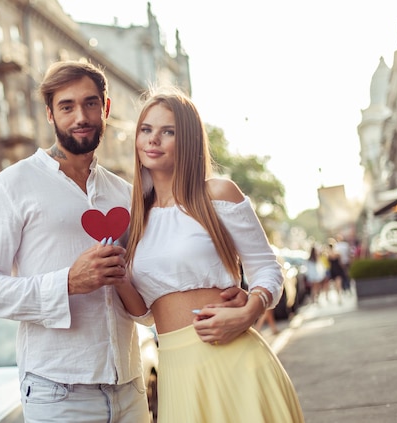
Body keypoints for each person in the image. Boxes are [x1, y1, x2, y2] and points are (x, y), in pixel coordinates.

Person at [0, 61, 247, 422]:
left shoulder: (127, 195)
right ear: (50, 114)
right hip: (58, 391)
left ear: (106, 108)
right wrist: (67, 283)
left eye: (90, 103)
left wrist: (227, 296)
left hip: (130, 387)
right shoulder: (13, 184)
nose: (80, 116)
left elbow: (144, 309)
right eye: (66, 106)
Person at [119, 87, 304, 422]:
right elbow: (145, 313)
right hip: (176, 372)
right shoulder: (136, 221)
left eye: (168, 131)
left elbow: (267, 267)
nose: (153, 140)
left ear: (187, 140)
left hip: (233, 359)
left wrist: (252, 308)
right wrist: (117, 279)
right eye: (146, 130)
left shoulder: (217, 194)